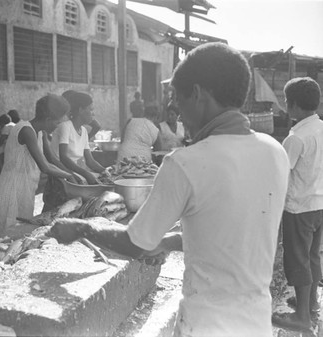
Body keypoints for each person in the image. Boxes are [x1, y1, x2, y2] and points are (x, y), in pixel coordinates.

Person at [49, 42, 290, 336]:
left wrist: (82, 229)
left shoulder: (185, 163)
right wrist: (166, 241)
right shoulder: (275, 152)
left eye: (178, 99)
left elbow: (133, 243)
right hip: (256, 323)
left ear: (198, 94)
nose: (176, 110)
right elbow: (227, 235)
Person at [271, 77, 323, 333]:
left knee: (297, 259)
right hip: (319, 204)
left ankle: (302, 315)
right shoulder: (321, 128)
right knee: (313, 255)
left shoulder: (296, 138)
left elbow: (281, 173)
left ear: (291, 105)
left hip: (299, 207)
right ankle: (310, 304)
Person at [0, 94, 77, 237]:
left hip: (25, 191)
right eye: (57, 123)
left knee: (19, 236)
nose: (57, 127)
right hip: (11, 191)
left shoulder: (40, 132)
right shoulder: (26, 130)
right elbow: (45, 166)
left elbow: (52, 158)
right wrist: (69, 176)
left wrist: (72, 174)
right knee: (5, 238)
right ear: (48, 120)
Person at [42, 91, 105, 211]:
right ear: (80, 110)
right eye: (90, 109)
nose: (93, 113)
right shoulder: (65, 127)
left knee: (70, 212)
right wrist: (85, 174)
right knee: (53, 212)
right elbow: (63, 158)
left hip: (73, 177)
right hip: (59, 176)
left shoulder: (84, 131)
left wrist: (106, 172)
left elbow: (90, 161)